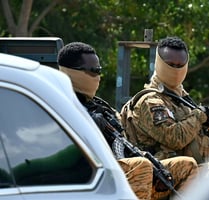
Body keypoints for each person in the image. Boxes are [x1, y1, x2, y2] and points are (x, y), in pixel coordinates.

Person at [57, 42, 198, 200]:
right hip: (86, 173)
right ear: (72, 72)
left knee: (186, 165)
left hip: (115, 168)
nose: (98, 76)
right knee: (141, 166)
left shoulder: (99, 106)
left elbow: (124, 140)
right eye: (93, 71)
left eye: (99, 71)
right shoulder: (59, 102)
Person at [120, 36, 209, 171]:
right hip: (161, 175)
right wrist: (200, 115)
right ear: (159, 63)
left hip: (192, 168)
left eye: (180, 66)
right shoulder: (150, 101)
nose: (175, 70)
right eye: (170, 65)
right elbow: (175, 139)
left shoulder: (182, 100)